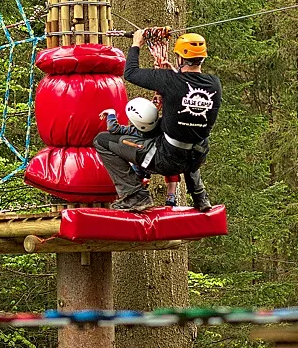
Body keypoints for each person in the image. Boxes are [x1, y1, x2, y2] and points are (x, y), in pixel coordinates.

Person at [94, 29, 220, 212]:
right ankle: (200, 196)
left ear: (180, 59)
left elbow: (130, 73)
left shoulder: (169, 80)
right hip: (195, 158)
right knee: (192, 134)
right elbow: (187, 87)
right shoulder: (214, 84)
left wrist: (136, 44)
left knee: (102, 141)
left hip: (166, 159)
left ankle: (135, 196)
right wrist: (174, 74)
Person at [96, 98, 182, 207]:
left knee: (135, 172)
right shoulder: (163, 126)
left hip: (144, 162)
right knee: (172, 168)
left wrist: (111, 114)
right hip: (161, 160)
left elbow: (114, 129)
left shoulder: (134, 130)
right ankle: (171, 196)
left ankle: (135, 194)